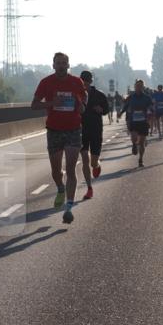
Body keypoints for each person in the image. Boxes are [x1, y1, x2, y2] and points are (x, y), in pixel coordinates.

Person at [31, 53, 86, 223]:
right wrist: (52, 103)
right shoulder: (46, 82)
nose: (61, 66)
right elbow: (34, 105)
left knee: (70, 168)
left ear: (68, 65)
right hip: (54, 130)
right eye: (58, 63)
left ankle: (69, 207)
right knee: (56, 172)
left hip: (73, 130)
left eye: (64, 63)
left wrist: (80, 105)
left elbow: (83, 104)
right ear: (53, 65)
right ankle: (61, 188)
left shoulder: (76, 82)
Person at [78, 70, 109, 200]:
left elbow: (106, 110)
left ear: (91, 81)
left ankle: (97, 165)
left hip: (96, 130)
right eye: (82, 81)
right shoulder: (76, 94)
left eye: (87, 81)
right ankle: (89, 188)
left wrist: (101, 110)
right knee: (85, 158)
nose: (84, 83)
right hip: (81, 131)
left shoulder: (99, 95)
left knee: (93, 162)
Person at [118, 79, 153, 168]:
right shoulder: (131, 97)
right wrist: (121, 113)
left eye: (140, 86)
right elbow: (126, 106)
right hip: (133, 120)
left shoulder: (147, 98)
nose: (139, 87)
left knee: (141, 142)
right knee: (134, 137)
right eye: (137, 86)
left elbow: (151, 107)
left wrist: (150, 112)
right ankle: (134, 144)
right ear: (135, 87)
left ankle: (140, 159)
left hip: (143, 121)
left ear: (143, 87)